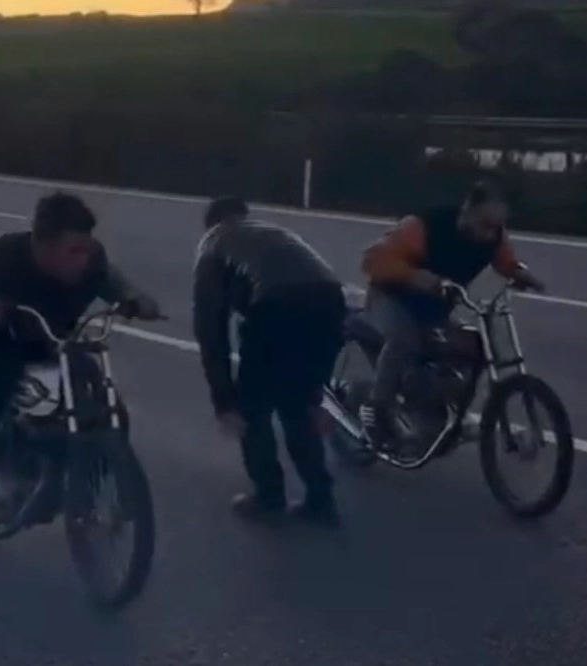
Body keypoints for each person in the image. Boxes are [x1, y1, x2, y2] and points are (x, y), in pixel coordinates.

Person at [0, 191, 163, 535]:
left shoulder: (92, 262)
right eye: (73, 251)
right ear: (42, 246)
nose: (82, 260)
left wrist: (137, 300)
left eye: (85, 250)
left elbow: (115, 282)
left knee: (101, 396)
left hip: (51, 342)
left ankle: (91, 481)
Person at [192, 196, 347, 528]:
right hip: (331, 301)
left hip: (278, 306)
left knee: (254, 409)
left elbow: (210, 329)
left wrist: (224, 400)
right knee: (299, 405)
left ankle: (269, 496)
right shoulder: (273, 232)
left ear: (210, 224)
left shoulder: (212, 245)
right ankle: (320, 498)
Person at [358, 180, 545, 450]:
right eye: (484, 224)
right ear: (467, 209)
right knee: (403, 340)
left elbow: (505, 261)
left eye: (496, 226)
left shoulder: (494, 236)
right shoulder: (423, 227)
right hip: (390, 298)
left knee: (473, 346)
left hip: (434, 308)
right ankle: (377, 410)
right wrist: (416, 276)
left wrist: (520, 274)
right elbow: (372, 260)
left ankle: (447, 410)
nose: (489, 234)